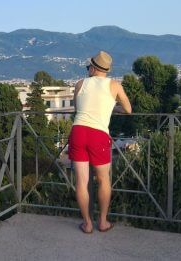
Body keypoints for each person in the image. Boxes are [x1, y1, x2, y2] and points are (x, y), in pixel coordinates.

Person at [69, 51, 132, 233]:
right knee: (104, 180)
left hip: (78, 131)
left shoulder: (80, 84)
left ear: (93, 68)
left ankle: (87, 224)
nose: (88, 69)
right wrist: (112, 107)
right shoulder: (115, 85)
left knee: (81, 181)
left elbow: (77, 108)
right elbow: (128, 109)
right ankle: (102, 222)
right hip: (98, 135)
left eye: (89, 66)